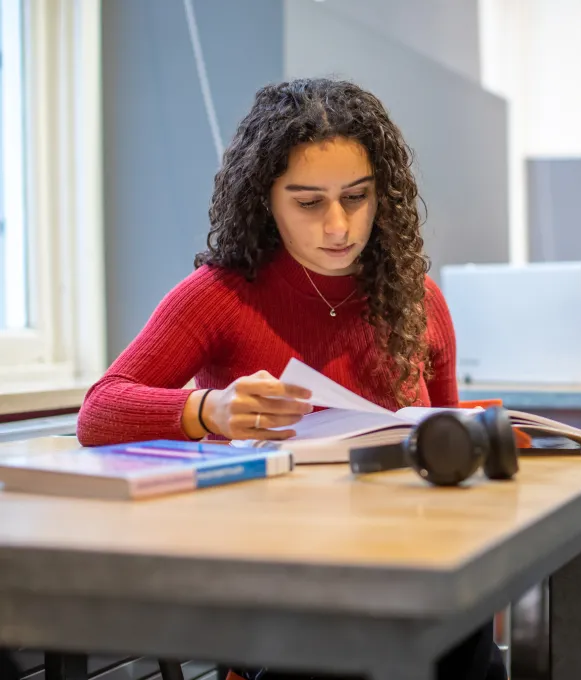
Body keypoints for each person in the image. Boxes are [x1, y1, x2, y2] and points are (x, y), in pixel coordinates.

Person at [76, 78, 505, 680]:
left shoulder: (420, 300)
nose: (338, 226)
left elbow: (447, 437)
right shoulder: (219, 297)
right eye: (308, 203)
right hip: (282, 579)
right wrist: (208, 410)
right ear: (265, 201)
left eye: (356, 197)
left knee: (464, 622)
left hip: (403, 564)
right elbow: (99, 411)